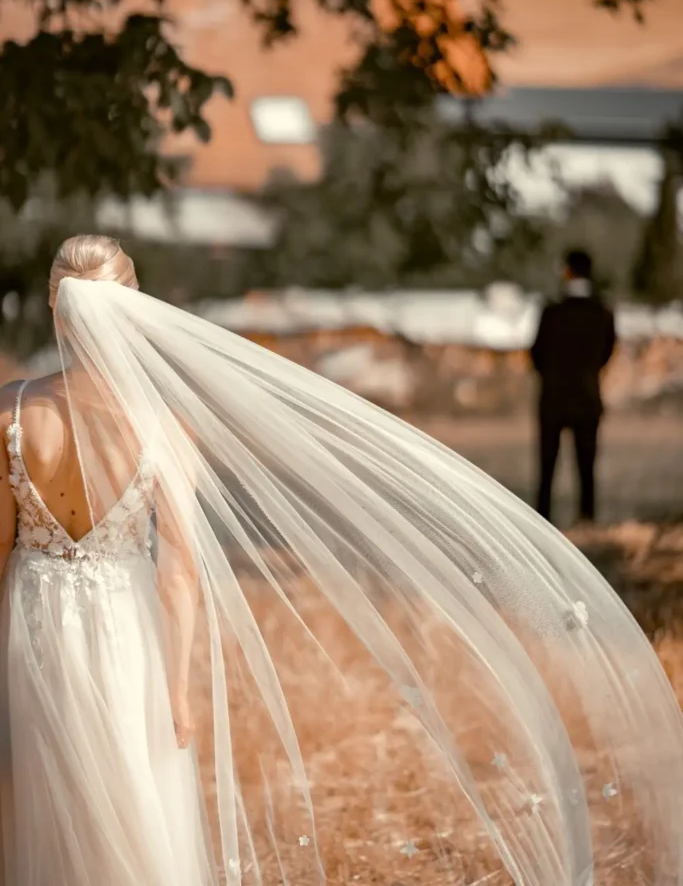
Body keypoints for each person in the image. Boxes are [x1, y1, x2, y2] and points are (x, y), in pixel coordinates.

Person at [0, 235, 681, 886]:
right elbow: (178, 574)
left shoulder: (12, 412)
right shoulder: (163, 425)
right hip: (128, 631)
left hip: (32, 629)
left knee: (43, 788)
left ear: (57, 308)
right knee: (132, 790)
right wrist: (177, 692)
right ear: (132, 307)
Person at [530, 250, 616, 525]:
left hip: (553, 397)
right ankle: (587, 517)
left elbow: (536, 354)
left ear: (567, 272)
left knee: (547, 466)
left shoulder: (551, 312)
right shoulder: (603, 313)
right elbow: (606, 353)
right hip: (587, 396)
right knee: (586, 465)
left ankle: (542, 518)